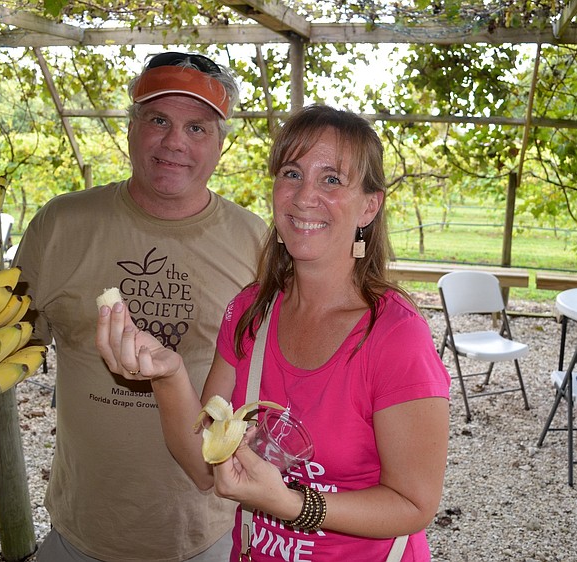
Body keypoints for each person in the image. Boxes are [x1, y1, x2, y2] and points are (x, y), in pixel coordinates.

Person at [96, 104, 451, 561]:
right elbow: (207, 466)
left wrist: (290, 504)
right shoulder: (251, 310)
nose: (304, 197)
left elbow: (414, 504)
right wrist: (168, 375)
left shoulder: (395, 335)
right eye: (291, 173)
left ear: (369, 205)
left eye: (331, 179)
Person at [14, 52, 268, 561]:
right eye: (158, 120)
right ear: (131, 130)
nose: (175, 142)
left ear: (220, 145)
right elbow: (4, 344)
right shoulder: (61, 226)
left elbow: (269, 378)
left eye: (197, 127)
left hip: (207, 527)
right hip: (84, 528)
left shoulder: (254, 242)